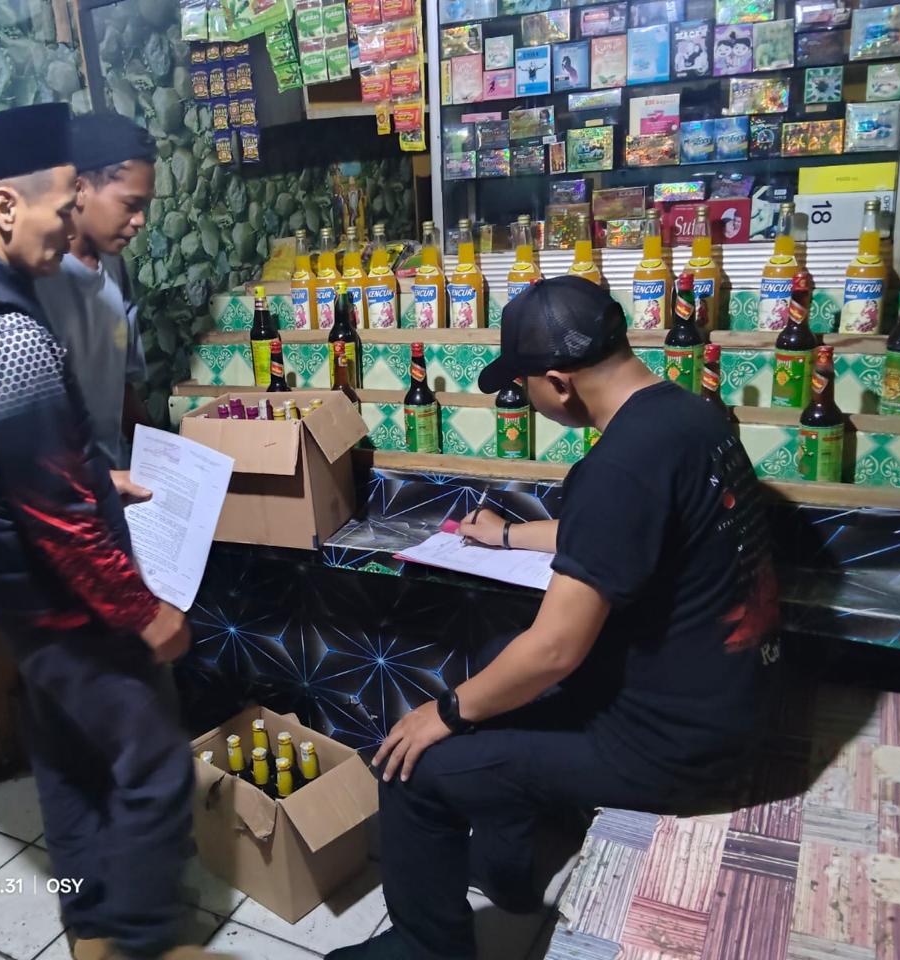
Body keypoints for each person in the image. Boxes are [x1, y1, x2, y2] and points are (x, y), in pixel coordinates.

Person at [329, 277, 781, 960]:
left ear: (560, 384)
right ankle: (506, 870)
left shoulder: (620, 464)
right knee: (501, 654)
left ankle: (427, 946)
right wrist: (507, 535)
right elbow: (619, 529)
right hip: (729, 699)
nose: (524, 397)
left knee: (416, 766)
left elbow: (556, 650)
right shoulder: (687, 416)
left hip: (671, 746)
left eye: (524, 383)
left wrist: (442, 714)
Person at [0, 103, 207, 960]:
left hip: (11, 595)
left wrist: (97, 476)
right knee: (157, 765)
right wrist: (144, 611)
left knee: (68, 764)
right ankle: (144, 944)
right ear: (7, 206)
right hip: (62, 601)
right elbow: (55, 515)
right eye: (66, 202)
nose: (74, 219)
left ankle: (91, 929)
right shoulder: (4, 328)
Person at [35, 113, 155, 469]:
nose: (140, 221)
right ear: (79, 190)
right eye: (130, 205)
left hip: (116, 475)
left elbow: (122, 386)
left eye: (144, 207)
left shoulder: (114, 266)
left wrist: (159, 462)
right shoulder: (40, 282)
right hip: (71, 486)